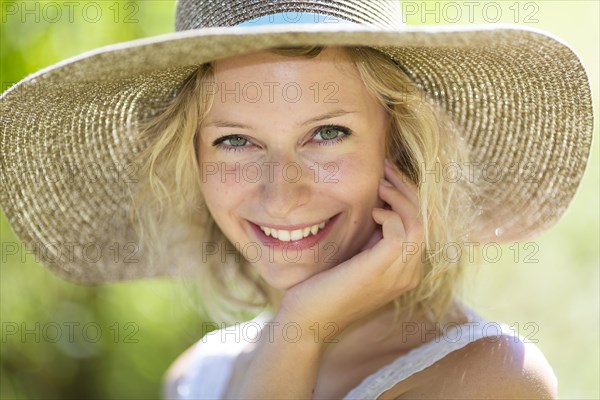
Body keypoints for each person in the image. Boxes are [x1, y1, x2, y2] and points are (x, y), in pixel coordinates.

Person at [0, 1, 593, 399]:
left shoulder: (487, 378)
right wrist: (299, 329)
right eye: (236, 141)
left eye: (327, 133)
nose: (282, 192)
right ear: (192, 163)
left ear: (402, 145)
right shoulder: (198, 375)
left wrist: (302, 331)